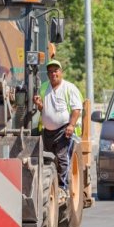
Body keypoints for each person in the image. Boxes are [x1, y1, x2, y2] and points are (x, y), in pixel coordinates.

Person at [33, 59, 83, 197]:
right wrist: (38, 104)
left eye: (56, 71)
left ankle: (63, 188)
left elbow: (76, 109)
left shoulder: (69, 88)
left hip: (64, 129)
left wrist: (71, 125)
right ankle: (50, 186)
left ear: (61, 72)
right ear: (48, 74)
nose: (53, 74)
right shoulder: (44, 87)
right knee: (48, 159)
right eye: (50, 71)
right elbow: (44, 108)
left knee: (62, 158)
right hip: (48, 131)